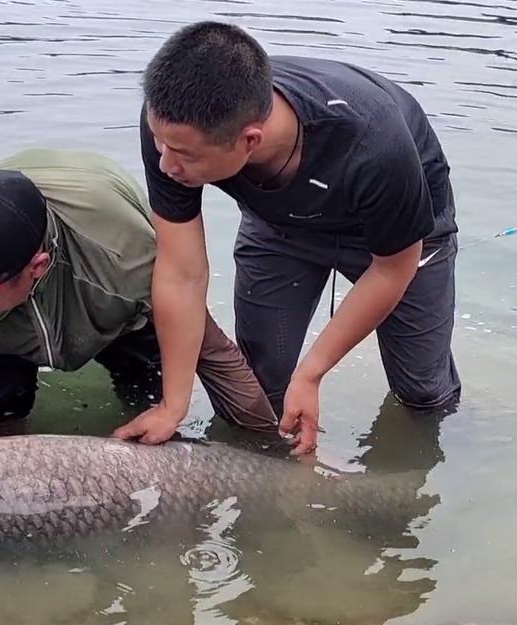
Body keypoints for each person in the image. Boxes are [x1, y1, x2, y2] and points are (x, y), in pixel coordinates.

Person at [116, 21, 461, 455]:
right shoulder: (173, 130)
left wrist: (313, 373)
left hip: (401, 240)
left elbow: (393, 269)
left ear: (250, 141)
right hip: (278, 225)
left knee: (422, 394)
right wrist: (173, 404)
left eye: (183, 155)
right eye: (160, 144)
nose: (166, 165)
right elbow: (181, 273)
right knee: (262, 386)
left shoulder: (374, 145)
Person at [0, 147, 276, 446]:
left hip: (115, 308)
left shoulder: (124, 259)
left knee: (144, 399)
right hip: (4, 311)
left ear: (37, 267)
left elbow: (214, 357)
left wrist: (272, 450)